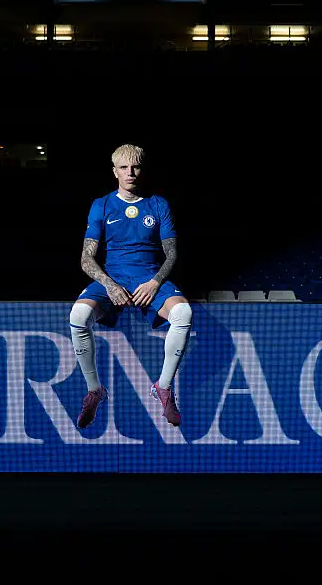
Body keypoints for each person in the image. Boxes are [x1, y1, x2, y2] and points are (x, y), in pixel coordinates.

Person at [68, 143, 192, 429]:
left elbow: (171, 253)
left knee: (183, 314)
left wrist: (155, 282)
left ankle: (163, 387)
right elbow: (86, 258)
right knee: (78, 317)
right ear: (115, 172)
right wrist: (109, 285)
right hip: (113, 277)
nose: (130, 172)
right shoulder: (102, 205)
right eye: (124, 167)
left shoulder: (158, 204)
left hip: (149, 276)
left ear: (142, 169)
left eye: (135, 166)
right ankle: (95, 390)